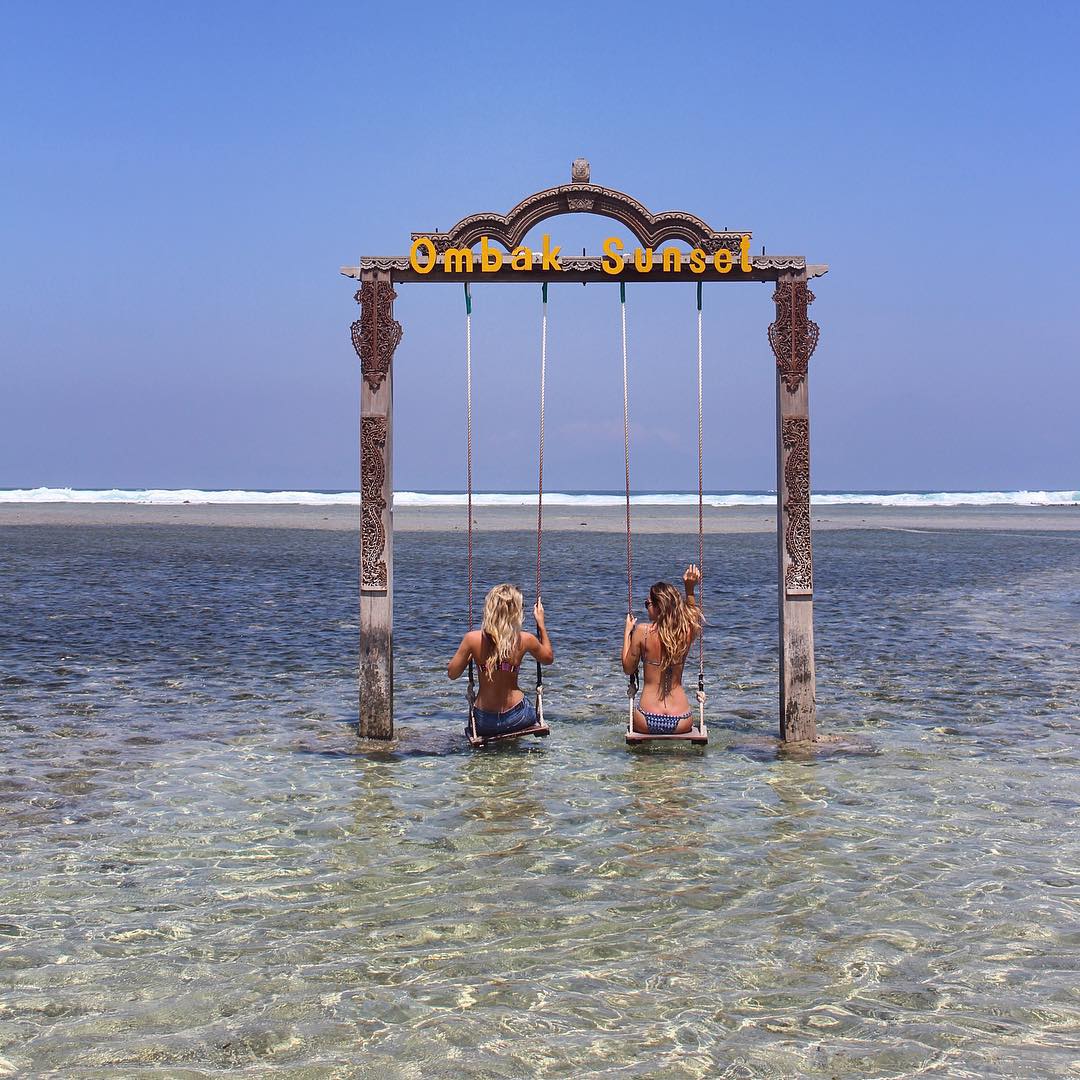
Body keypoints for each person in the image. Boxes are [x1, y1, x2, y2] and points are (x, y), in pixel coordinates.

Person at [448, 583, 554, 738]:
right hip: (519, 717)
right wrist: (541, 624)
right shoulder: (525, 639)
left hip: (485, 722)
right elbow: (548, 658)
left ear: (489, 608)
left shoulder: (472, 639)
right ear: (516, 611)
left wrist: (470, 655)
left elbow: (452, 674)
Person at [622, 564, 704, 735]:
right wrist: (689, 589)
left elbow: (628, 668)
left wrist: (627, 632)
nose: (646, 607)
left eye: (648, 603)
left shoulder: (642, 632)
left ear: (659, 606)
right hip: (681, 718)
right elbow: (693, 615)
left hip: (647, 717)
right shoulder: (685, 632)